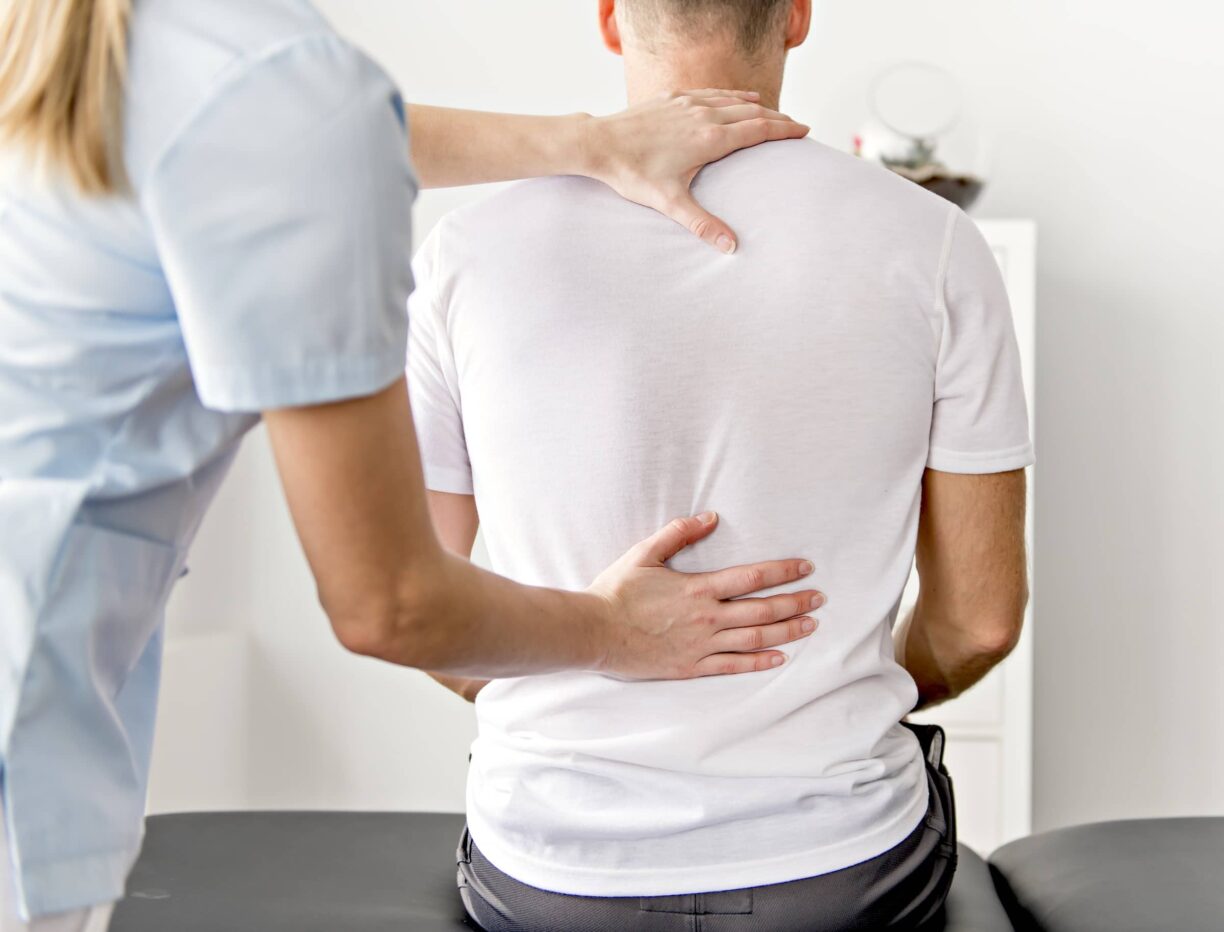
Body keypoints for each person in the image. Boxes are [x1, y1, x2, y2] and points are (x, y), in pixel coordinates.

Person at [0, 0, 824, 928]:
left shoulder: (82, 39)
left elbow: (287, 136)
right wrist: (618, 632)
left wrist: (593, 143)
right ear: (799, 18)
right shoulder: (279, 94)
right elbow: (388, 603)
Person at [407, 0, 1034, 928]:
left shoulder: (464, 252)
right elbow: (978, 623)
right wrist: (837, 688)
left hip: (551, 868)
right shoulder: (933, 241)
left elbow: (427, 607)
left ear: (611, 19)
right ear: (797, 17)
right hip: (839, 869)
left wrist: (569, 664)